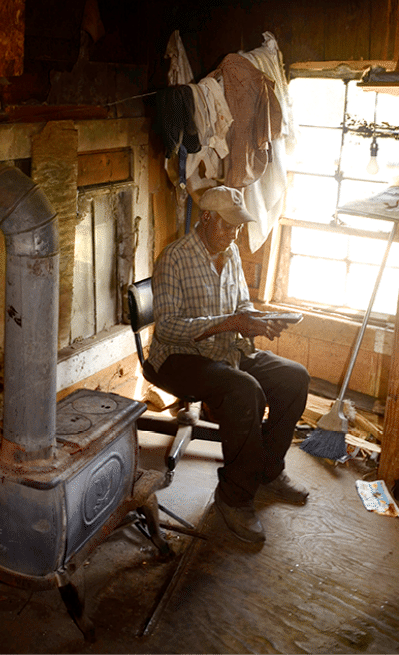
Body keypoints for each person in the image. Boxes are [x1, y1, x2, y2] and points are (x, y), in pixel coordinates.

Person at [143, 185, 309, 544]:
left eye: (237, 227)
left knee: (293, 377)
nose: (234, 235)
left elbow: (241, 306)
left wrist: (260, 321)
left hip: (225, 351)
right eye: (228, 226)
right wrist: (231, 323)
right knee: (244, 390)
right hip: (177, 358)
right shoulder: (174, 258)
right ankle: (233, 497)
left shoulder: (231, 252)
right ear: (206, 218)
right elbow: (168, 328)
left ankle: (269, 470)